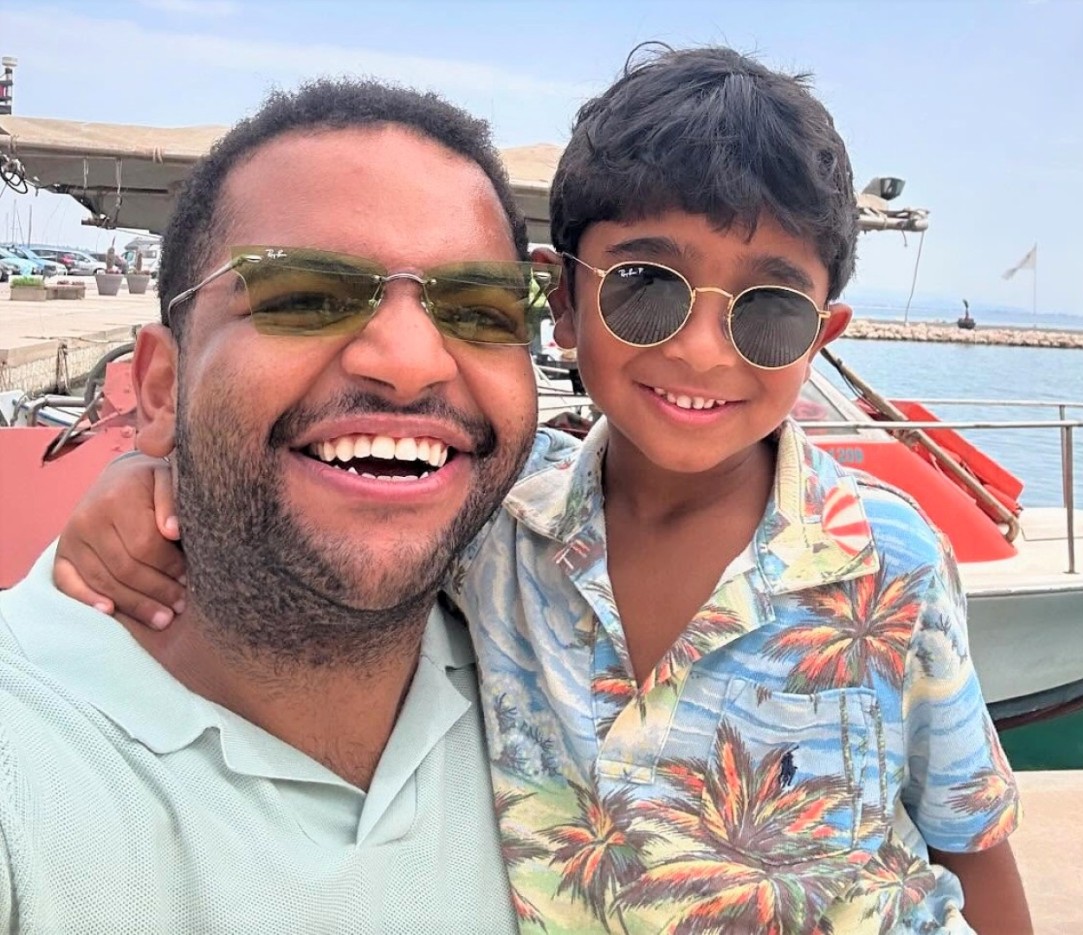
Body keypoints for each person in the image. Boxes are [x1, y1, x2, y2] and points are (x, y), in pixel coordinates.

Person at [55, 47, 1032, 933]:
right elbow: (293, 486)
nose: (701, 349)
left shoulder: (888, 559)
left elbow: (969, 837)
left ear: (821, 335)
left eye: (769, 311)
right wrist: (144, 473)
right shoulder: (493, 521)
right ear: (562, 301)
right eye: (646, 286)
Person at [0, 78, 562, 931]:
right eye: (304, 297)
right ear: (161, 387)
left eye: (478, 311)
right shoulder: (29, 755)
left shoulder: (558, 667)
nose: (410, 363)